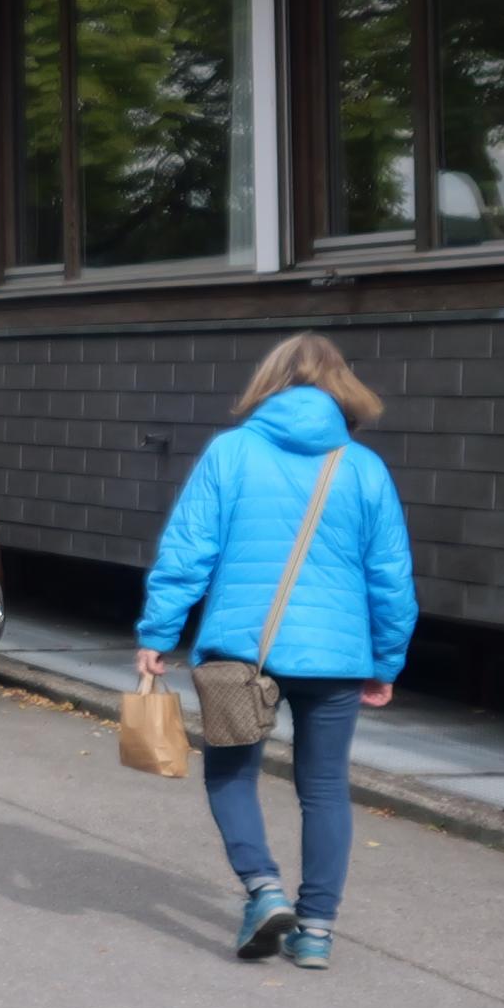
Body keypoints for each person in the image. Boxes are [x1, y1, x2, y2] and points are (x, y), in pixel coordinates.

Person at [134, 334, 417, 969]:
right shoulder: (363, 467)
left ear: (269, 381)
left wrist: (158, 632)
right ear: (342, 387)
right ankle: (315, 931)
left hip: (241, 649)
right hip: (337, 655)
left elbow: (189, 547)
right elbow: (391, 577)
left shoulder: (231, 452)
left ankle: (263, 890)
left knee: (230, 773)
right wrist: (386, 660)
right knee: (325, 787)